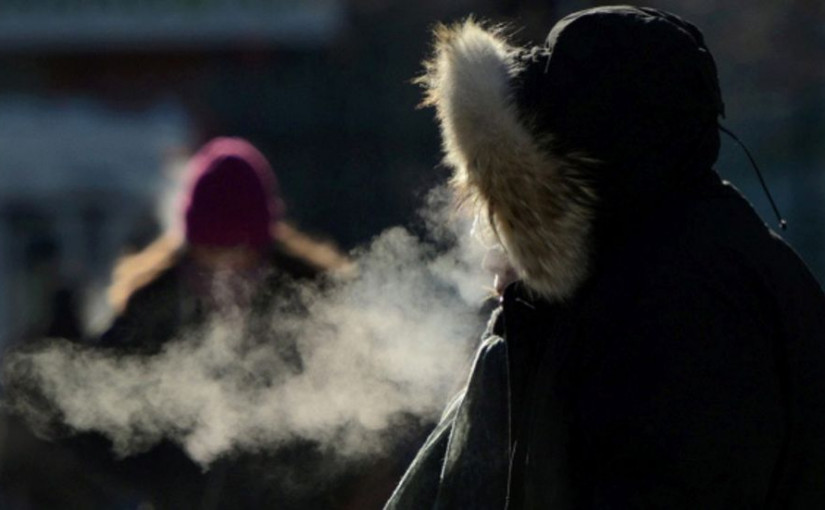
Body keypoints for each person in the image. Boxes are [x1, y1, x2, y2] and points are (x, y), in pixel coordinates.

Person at [386, 6, 825, 509]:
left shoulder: (674, 301)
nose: (493, 237)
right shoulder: (700, 262)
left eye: (511, 189)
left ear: (560, 167)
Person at [101, 136, 349, 353]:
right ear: (188, 250)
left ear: (266, 249)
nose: (225, 273)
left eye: (240, 253)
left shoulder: (315, 300)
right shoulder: (148, 308)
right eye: (211, 253)